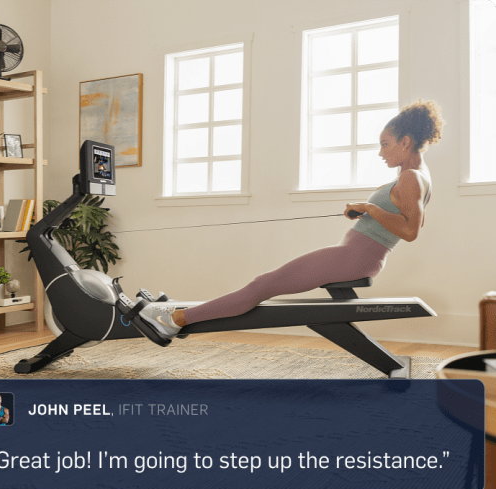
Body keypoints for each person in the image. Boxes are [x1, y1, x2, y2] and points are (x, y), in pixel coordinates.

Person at [139, 99, 445, 344]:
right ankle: (178, 315)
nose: (380, 152)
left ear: (405, 142)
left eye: (385, 144)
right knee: (263, 285)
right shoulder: (417, 175)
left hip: (356, 257)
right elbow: (401, 218)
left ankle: (174, 320)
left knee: (261, 286)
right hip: (358, 256)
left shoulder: (410, 177)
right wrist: (367, 211)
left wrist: (368, 206)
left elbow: (409, 231)